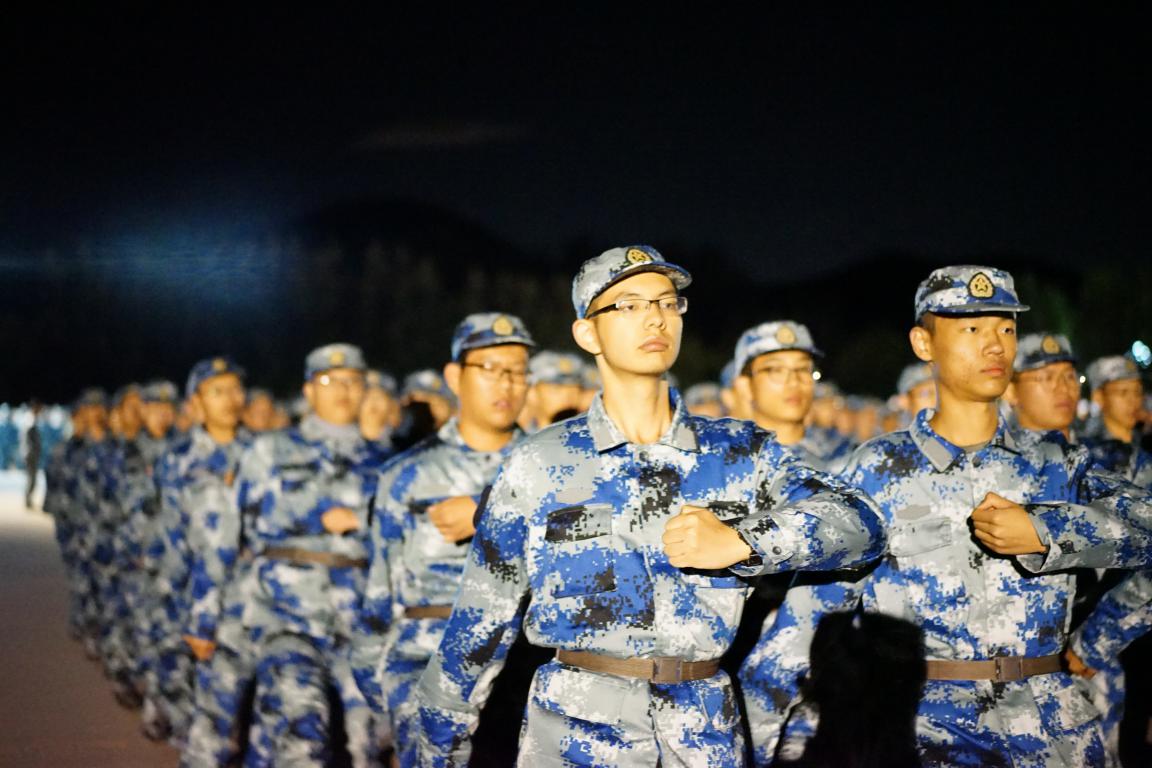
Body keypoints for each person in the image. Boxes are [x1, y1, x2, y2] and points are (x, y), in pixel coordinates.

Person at [414, 245, 885, 767]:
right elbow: (480, 619)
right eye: (629, 305)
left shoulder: (739, 452)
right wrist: (436, 745)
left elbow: (862, 523)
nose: (655, 317)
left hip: (703, 732)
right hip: (574, 734)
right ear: (587, 334)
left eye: (666, 303)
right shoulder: (540, 462)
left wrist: (743, 540)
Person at [740, 265, 1152, 767]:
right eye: (972, 328)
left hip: (1056, 736)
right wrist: (767, 750)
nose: (995, 345)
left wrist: (1049, 532)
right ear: (924, 343)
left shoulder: (1057, 463)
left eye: (1006, 328)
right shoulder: (878, 470)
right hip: (928, 732)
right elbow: (804, 626)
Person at [187, 343, 384, 767]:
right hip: (284, 617)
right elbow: (223, 535)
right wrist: (204, 617)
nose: (344, 391)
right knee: (301, 734)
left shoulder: (384, 463)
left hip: (358, 626)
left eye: (354, 381)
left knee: (365, 747)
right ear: (309, 391)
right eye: (330, 381)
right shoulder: (270, 451)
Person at [356, 312, 536, 766]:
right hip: (426, 659)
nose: (507, 384)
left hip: (522, 669)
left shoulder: (552, 468)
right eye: (491, 368)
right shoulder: (406, 474)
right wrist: (372, 677)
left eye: (517, 371)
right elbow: (380, 588)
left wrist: (487, 510)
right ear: (455, 377)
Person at [143, 358, 250, 747]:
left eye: (235, 389)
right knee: (193, 692)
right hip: (190, 589)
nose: (230, 399)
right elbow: (170, 529)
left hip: (249, 597)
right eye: (217, 391)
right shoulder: (178, 459)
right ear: (197, 403)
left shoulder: (263, 454)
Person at [732, 321, 853, 472]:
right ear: (745, 386)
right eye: (776, 370)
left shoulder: (845, 456)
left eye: (803, 369)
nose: (794, 381)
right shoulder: (722, 461)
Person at [1081, 355, 1151, 487]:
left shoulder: (1144, 443)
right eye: (1123, 392)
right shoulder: (1087, 458)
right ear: (1099, 397)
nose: (1133, 400)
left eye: (1137, 391)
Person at [523, 350, 586, 430]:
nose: (568, 397)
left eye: (574, 389)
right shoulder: (517, 436)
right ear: (532, 393)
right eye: (556, 389)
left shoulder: (591, 434)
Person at [24, 400, 43, 509]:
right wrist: (33, 451)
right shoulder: (30, 420)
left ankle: (28, 499)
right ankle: (28, 500)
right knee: (32, 478)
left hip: (31, 454)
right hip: (31, 454)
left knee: (32, 478)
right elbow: (30, 440)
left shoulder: (31, 419)